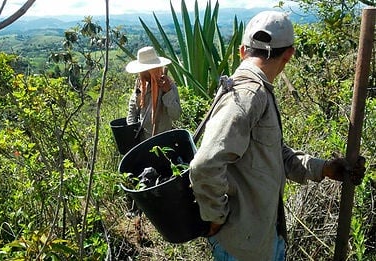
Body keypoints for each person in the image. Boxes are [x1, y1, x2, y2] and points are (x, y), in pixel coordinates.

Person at [189, 11, 366, 261]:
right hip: (243, 248)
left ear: (242, 50)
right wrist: (215, 218)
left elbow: (273, 153)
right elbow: (205, 164)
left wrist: (323, 169)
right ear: (289, 55)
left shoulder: (257, 92)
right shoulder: (249, 95)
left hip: (262, 237)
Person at [125, 46, 182, 141]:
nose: (142, 74)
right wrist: (131, 129)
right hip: (143, 138)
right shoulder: (140, 84)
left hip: (163, 139)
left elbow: (176, 115)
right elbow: (133, 107)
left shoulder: (169, 86)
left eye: (145, 71)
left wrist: (168, 92)